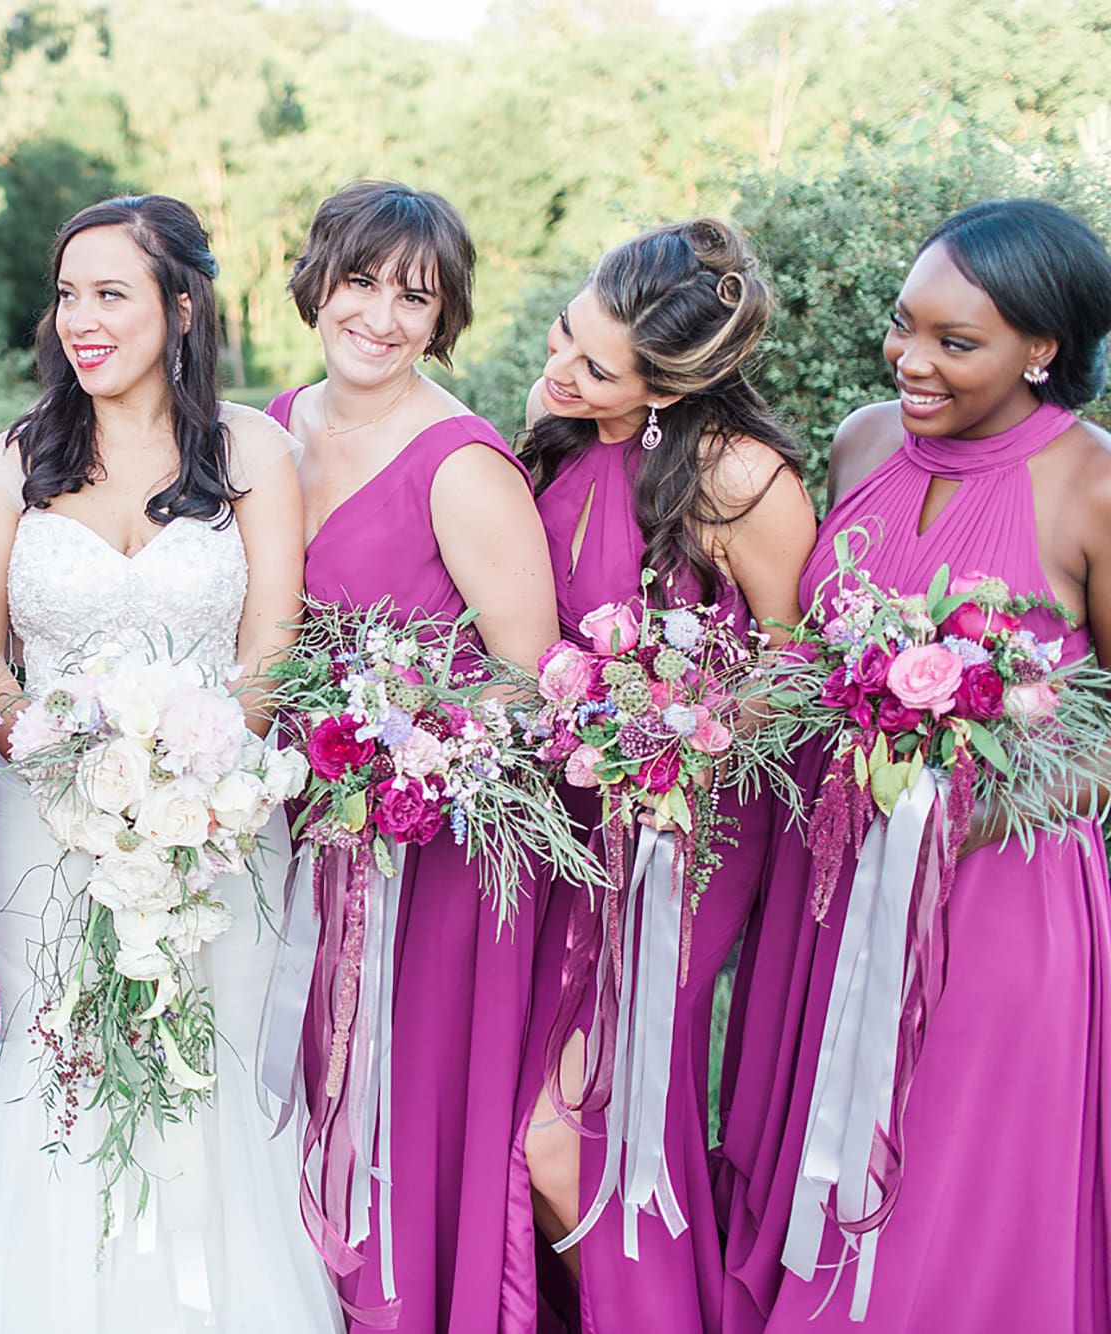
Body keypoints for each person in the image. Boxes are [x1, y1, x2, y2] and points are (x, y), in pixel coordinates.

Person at [0, 193, 342, 1332]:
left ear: (181, 307)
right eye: (67, 295)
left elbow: (275, 642)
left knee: (206, 1071)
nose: (81, 320)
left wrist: (195, 773)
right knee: (60, 1065)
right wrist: (45, 746)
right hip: (49, 823)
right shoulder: (10, 459)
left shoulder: (251, 449)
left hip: (217, 824)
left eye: (111, 294)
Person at [717, 198, 1111, 1331]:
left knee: (941, 1191)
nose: (910, 359)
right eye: (904, 324)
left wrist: (963, 812)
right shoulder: (863, 441)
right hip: (828, 883)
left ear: (1040, 349)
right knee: (811, 1170)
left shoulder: (1091, 485)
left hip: (994, 895)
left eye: (954, 341)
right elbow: (808, 652)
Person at [265, 178, 560, 1331]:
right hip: (284, 834)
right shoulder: (269, 425)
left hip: (421, 856)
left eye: (414, 297)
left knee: (395, 1105)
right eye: (359, 282)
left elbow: (529, 680)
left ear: (442, 318)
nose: (379, 317)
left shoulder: (460, 464)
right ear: (315, 282)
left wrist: (404, 744)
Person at [516, 217, 815, 1333]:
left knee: (572, 1129)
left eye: (597, 368)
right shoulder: (555, 424)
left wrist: (676, 720)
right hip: (553, 818)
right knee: (523, 1114)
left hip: (683, 835)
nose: (561, 368)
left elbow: (795, 664)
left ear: (670, 386)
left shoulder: (739, 477)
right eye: (565, 332)